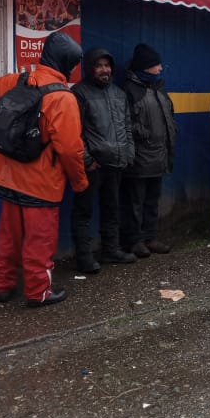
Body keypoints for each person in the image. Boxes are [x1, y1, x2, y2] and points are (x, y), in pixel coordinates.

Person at [0, 32, 88, 307]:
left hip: (6, 175)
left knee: (7, 238)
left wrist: (28, 79)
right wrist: (80, 183)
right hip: (40, 183)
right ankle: (37, 291)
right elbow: (70, 149)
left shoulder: (14, 82)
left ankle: (1, 286)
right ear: (66, 63)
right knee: (39, 242)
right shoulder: (63, 98)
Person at [71, 47, 136, 273]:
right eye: (99, 66)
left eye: (107, 65)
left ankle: (111, 250)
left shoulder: (119, 93)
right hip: (92, 165)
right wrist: (88, 159)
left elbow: (127, 126)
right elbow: (74, 131)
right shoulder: (79, 93)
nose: (104, 70)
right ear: (90, 68)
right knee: (83, 213)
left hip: (115, 163)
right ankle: (84, 258)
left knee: (112, 209)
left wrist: (128, 153)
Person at [120, 42, 177, 259]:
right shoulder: (130, 90)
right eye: (156, 65)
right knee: (134, 202)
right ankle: (134, 241)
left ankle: (150, 237)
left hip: (158, 156)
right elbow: (123, 122)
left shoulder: (157, 89)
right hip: (139, 158)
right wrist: (141, 131)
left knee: (152, 200)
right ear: (145, 67)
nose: (160, 68)